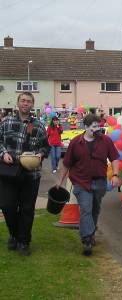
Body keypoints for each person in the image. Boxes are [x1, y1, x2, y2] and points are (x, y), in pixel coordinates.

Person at [56, 113, 120, 256]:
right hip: (81, 182)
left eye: (99, 126)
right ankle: (87, 240)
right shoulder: (75, 142)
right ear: (86, 127)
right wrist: (59, 181)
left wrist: (115, 175)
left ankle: (90, 234)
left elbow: (115, 158)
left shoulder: (106, 141)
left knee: (94, 210)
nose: (97, 129)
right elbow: (66, 164)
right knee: (86, 209)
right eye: (94, 126)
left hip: (99, 182)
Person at [0, 92, 50, 256]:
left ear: (32, 104)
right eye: (23, 100)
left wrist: (40, 155)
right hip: (8, 172)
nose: (25, 103)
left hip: (31, 174)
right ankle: (13, 234)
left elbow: (45, 147)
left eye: (29, 101)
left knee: (27, 209)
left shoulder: (39, 126)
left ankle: (23, 241)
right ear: (17, 103)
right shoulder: (6, 122)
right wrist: (3, 153)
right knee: (7, 206)